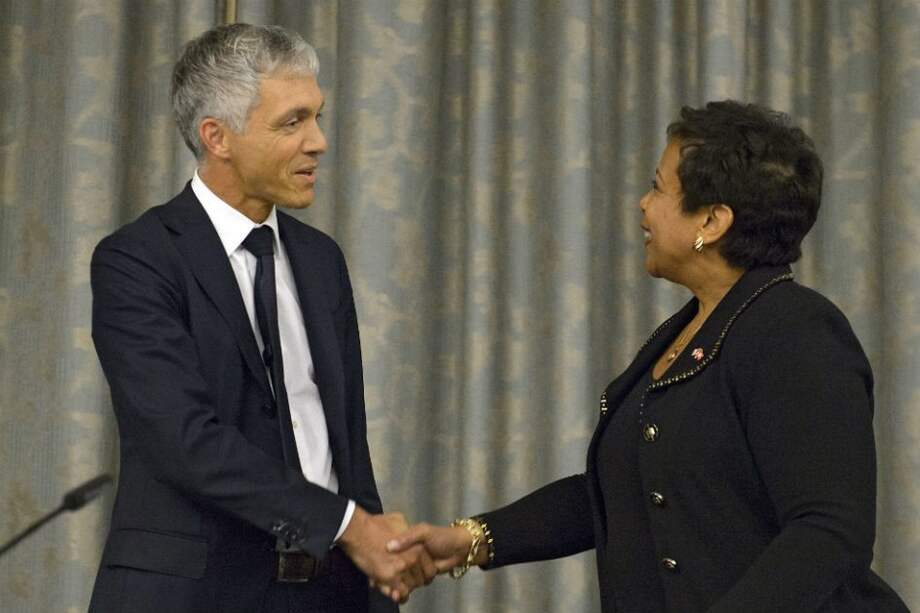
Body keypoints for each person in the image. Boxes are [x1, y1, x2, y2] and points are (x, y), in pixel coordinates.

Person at [388, 101, 909, 611]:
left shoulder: (797, 331)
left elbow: (828, 532)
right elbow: (619, 491)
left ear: (711, 221)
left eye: (659, 188)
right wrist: (475, 539)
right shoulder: (686, 331)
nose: (643, 203)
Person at [88, 24, 433, 613]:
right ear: (217, 137)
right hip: (192, 595)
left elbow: (347, 444)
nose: (319, 141)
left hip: (329, 593)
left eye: (317, 117)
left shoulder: (322, 261)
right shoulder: (137, 260)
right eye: (292, 122)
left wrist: (382, 571)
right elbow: (186, 441)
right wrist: (350, 527)